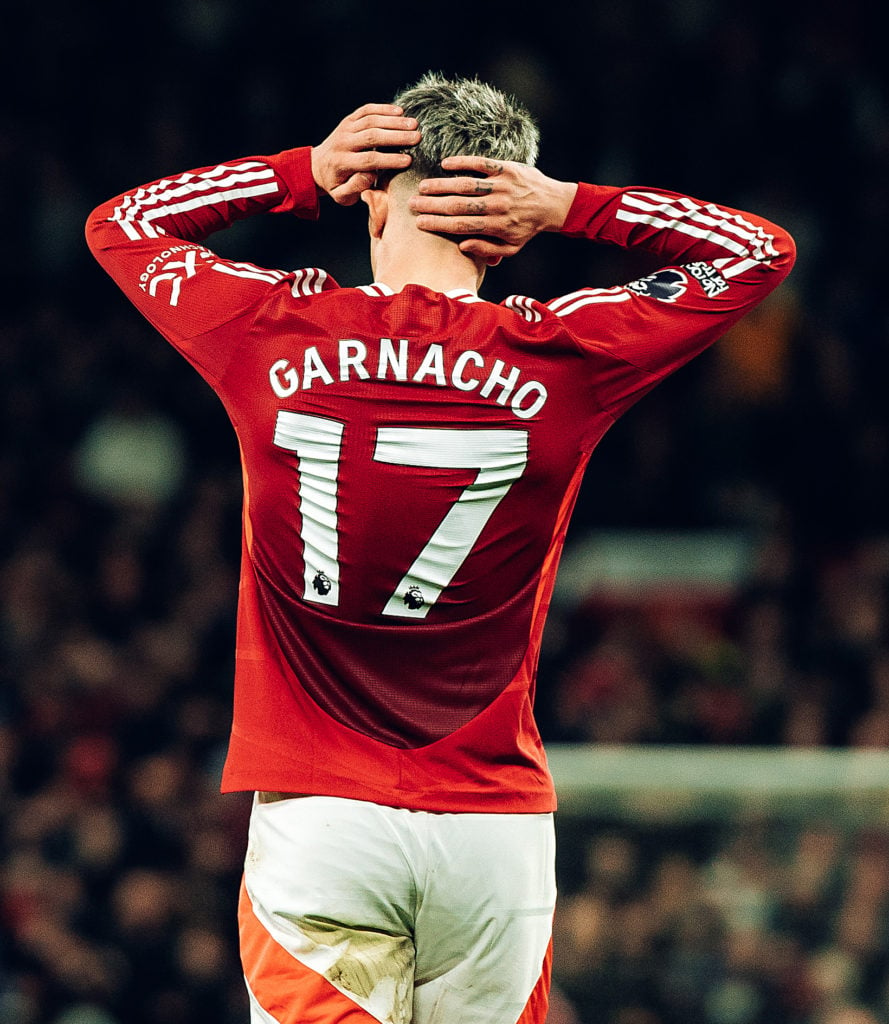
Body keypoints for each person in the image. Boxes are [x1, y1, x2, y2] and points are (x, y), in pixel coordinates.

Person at [85, 72, 796, 1024]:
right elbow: (759, 251)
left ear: (374, 189)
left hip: (321, 812)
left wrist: (300, 174)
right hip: (489, 824)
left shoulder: (271, 327)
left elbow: (121, 226)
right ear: (505, 221)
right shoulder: (563, 353)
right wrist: (570, 207)